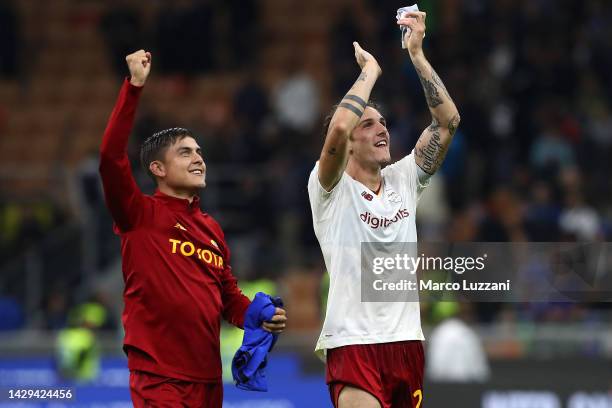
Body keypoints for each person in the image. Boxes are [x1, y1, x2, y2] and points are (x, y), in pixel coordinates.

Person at [99, 50, 287, 407]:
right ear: (157, 168)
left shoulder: (211, 229)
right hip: (159, 377)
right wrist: (134, 88)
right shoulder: (138, 213)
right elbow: (110, 158)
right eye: (185, 153)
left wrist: (258, 316)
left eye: (198, 151)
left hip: (208, 381)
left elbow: (228, 297)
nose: (198, 158)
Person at [307, 12, 460, 408]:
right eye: (368, 125)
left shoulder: (403, 180)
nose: (382, 129)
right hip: (353, 344)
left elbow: (447, 123)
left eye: (383, 122)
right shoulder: (329, 188)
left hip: (407, 342)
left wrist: (417, 54)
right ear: (351, 145)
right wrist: (372, 70)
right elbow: (338, 127)